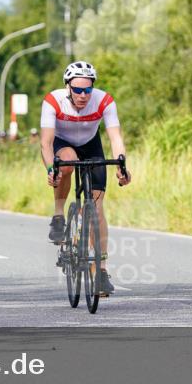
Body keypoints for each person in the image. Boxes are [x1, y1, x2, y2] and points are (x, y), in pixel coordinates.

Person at [39, 61, 132, 297]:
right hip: (63, 143)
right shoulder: (53, 101)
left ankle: (100, 272)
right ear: (68, 87)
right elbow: (46, 143)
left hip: (91, 145)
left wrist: (121, 164)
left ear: (93, 88)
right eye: (78, 90)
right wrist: (52, 168)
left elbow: (115, 137)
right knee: (67, 163)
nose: (83, 95)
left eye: (87, 90)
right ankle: (59, 215)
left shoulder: (104, 101)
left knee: (97, 209)